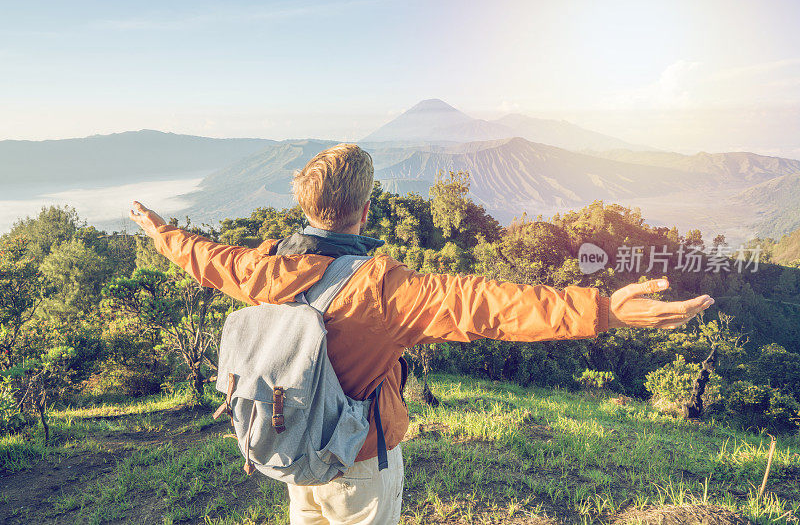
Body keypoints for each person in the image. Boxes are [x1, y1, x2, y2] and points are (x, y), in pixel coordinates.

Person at [129, 143, 714, 525]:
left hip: (292, 444)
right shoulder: (383, 290)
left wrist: (161, 233)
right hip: (357, 458)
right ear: (363, 209)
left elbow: (203, 257)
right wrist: (603, 310)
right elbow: (488, 304)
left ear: (305, 207)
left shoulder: (261, 270)